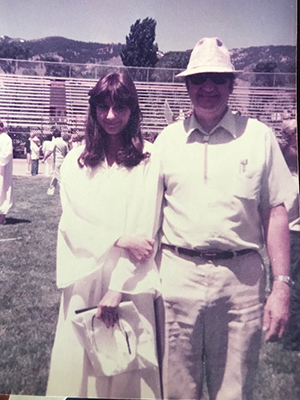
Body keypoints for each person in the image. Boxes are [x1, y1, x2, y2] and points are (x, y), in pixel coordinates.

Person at [154, 37, 295, 400]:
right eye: (199, 79)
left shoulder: (259, 138)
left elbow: (276, 212)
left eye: (218, 78)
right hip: (176, 278)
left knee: (234, 391)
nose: (208, 87)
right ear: (187, 85)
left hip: (241, 285)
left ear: (232, 84)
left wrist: (281, 286)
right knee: (176, 390)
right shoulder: (167, 142)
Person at [46, 72, 162, 398]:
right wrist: (117, 239)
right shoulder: (76, 161)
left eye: (120, 107)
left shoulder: (148, 160)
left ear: (133, 110)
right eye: (103, 106)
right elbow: (73, 221)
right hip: (85, 276)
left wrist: (117, 288)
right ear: (93, 110)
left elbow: (145, 229)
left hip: (130, 280)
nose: (111, 116)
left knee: (129, 369)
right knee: (78, 369)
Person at [277, 119, 300, 351]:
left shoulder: (289, 184)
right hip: (294, 236)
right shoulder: (292, 184)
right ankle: (293, 338)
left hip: (293, 234)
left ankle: (292, 337)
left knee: (294, 286)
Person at [44, 128, 69, 195]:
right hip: (63, 160)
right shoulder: (64, 143)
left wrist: (44, 158)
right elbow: (67, 153)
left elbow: (50, 151)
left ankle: (64, 192)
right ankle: (51, 190)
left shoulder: (54, 142)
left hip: (57, 161)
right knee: (55, 176)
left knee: (59, 178)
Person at [0, 119, 13, 224]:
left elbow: (6, 155)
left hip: (2, 171)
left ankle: (2, 218)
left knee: (3, 190)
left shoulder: (6, 139)